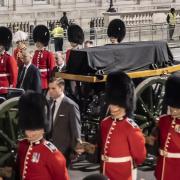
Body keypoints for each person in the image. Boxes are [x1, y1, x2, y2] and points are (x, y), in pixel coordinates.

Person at [100, 71, 146, 180]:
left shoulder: (131, 127)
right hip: (105, 171)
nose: (113, 108)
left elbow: (140, 156)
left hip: (123, 172)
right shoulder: (105, 123)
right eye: (111, 104)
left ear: (124, 104)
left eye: (117, 105)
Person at [16, 91, 69, 180]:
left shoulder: (52, 154)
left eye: (35, 129)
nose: (30, 134)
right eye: (28, 129)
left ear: (43, 129)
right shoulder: (22, 146)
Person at [145, 72, 180, 180]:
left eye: (177, 108)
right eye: (172, 107)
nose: (173, 110)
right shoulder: (163, 120)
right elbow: (154, 141)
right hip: (162, 169)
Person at [48, 77, 81, 167]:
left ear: (61, 88)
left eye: (53, 88)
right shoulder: (49, 103)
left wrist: (75, 149)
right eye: (49, 88)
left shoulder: (71, 106)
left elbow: (76, 129)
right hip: (48, 149)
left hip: (64, 151)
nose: (50, 91)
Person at [32, 25, 55, 94]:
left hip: (44, 82)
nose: (37, 44)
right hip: (36, 80)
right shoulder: (36, 53)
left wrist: (51, 83)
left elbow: (51, 70)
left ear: (43, 42)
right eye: (37, 42)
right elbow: (33, 67)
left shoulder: (48, 54)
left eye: (39, 42)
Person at [0, 26, 18, 95]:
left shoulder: (9, 58)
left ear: (4, 45)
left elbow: (14, 76)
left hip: (4, 90)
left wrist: (11, 90)